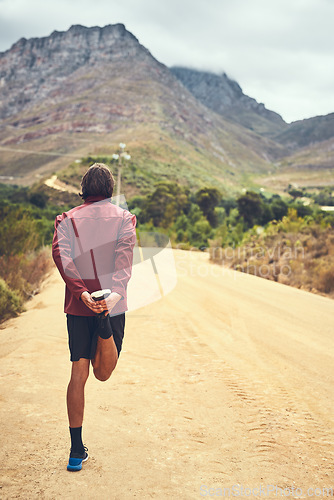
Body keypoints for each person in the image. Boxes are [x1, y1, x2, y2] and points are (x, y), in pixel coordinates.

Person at [52, 163, 136, 471]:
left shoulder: (66, 219)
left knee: (79, 373)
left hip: (78, 306)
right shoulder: (125, 219)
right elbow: (124, 259)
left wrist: (81, 293)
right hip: (111, 303)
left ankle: (76, 451)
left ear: (84, 189)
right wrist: (113, 294)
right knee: (104, 372)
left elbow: (61, 257)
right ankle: (105, 328)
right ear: (110, 190)